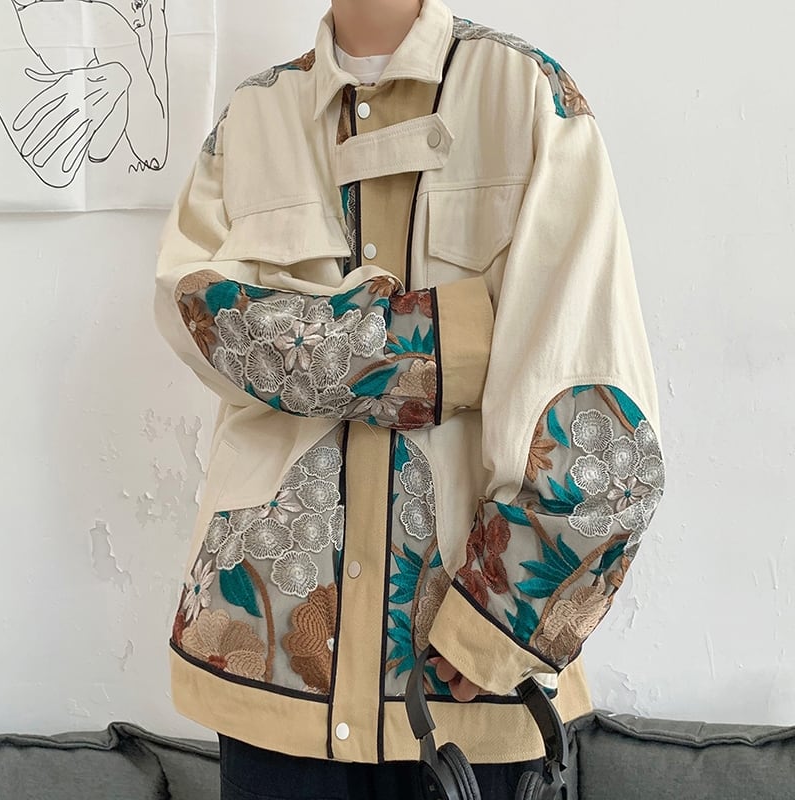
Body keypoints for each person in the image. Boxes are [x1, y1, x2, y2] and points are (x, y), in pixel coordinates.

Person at [153, 0, 667, 798]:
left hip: (469, 683)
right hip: (270, 680)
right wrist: (442, 345)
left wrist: (501, 623)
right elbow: (199, 318)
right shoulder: (253, 118)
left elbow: (601, 417)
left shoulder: (527, 97)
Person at [0, 0, 168, 187]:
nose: (141, 21)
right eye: (138, 5)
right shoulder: (106, 22)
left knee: (117, 76)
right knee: (114, 54)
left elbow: (151, 149)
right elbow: (152, 149)